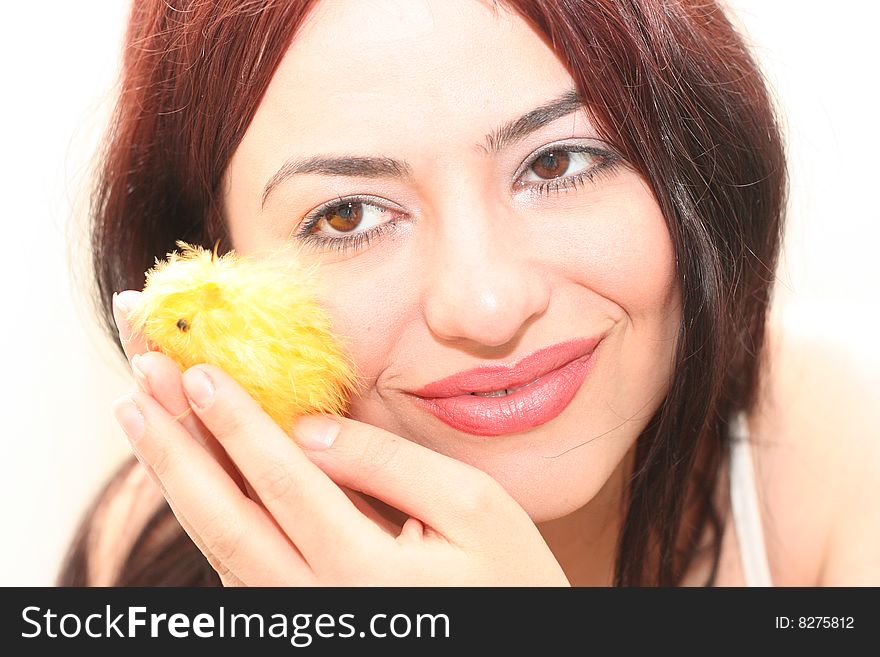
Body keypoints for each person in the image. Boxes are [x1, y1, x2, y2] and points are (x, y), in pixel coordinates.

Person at [58, 0, 879, 587]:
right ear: (218, 263)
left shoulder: (849, 453)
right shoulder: (160, 560)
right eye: (347, 215)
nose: (486, 306)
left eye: (558, 163)